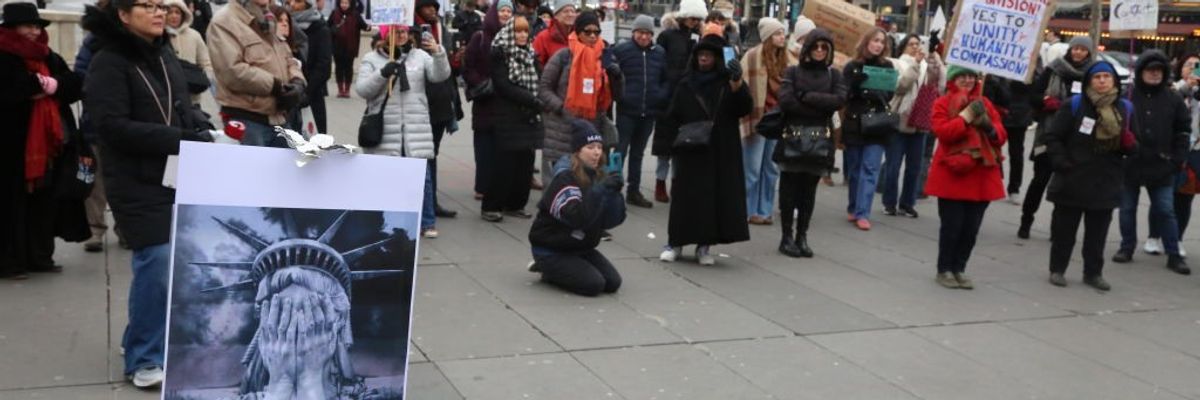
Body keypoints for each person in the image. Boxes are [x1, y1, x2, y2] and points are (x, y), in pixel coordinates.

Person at [82, 0, 216, 385]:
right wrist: (178, 138)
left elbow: (180, 108)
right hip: (135, 180)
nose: (159, 12)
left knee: (172, 265)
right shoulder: (108, 61)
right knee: (157, 260)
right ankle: (143, 360)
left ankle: (137, 338)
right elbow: (110, 127)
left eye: (161, 5)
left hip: (176, 174)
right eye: (146, 6)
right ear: (123, 15)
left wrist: (199, 126)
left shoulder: (163, 53)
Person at [0, 2, 84, 280]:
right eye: (28, 26)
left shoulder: (48, 56)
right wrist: (43, 86)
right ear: (11, 28)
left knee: (44, 201)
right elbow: (11, 90)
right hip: (12, 145)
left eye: (37, 26)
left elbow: (75, 84)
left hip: (48, 144)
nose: (34, 32)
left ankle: (40, 256)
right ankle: (10, 262)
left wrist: (50, 86)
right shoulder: (4, 55)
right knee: (12, 204)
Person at [657, 34, 752, 265]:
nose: (703, 59)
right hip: (691, 147)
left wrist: (737, 83)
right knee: (684, 197)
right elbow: (672, 114)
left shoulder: (728, 82)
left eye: (708, 55)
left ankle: (704, 246)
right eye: (701, 55)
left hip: (721, 148)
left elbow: (744, 108)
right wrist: (669, 144)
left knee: (713, 199)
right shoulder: (686, 82)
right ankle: (675, 243)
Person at [1044, 61, 1137, 291]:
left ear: (1114, 80)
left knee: (1097, 234)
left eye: (1107, 76)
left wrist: (1129, 144)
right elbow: (1053, 137)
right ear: (1089, 81)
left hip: (1105, 181)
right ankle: (1058, 269)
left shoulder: (1125, 108)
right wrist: (1062, 163)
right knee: (1065, 231)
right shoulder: (1074, 105)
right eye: (1097, 77)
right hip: (1073, 178)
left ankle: (1093, 272)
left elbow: (1135, 146)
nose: (1102, 81)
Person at [356, 25, 451, 239]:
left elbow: (440, 75)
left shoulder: (419, 56)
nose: (401, 36)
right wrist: (382, 74)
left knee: (421, 176)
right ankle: (385, 221)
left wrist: (438, 52)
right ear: (386, 34)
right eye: (396, 32)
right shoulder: (372, 58)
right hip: (386, 127)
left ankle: (426, 221)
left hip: (415, 125)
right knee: (387, 177)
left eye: (404, 32)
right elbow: (362, 89)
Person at [1110, 50, 1192, 275]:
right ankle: (1127, 247)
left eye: (1159, 71)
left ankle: (1173, 254)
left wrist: (1177, 158)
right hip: (1131, 162)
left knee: (1165, 210)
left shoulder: (1173, 98)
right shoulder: (1127, 95)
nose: (1155, 74)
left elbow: (1183, 130)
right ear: (1141, 72)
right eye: (1150, 70)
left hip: (1162, 164)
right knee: (1127, 209)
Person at [925, 66, 1007, 289]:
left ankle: (959, 268)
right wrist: (966, 117)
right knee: (952, 227)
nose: (968, 80)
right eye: (963, 76)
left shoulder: (986, 103)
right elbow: (943, 132)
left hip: (982, 175)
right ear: (953, 78)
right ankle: (944, 269)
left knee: (971, 229)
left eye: (972, 76)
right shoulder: (942, 102)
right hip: (954, 174)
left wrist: (989, 127)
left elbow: (1000, 135)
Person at [769, 29, 845, 257]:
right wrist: (817, 104)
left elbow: (839, 100)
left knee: (809, 191)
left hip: (820, 139)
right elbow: (786, 101)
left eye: (825, 47)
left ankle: (802, 235)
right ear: (808, 48)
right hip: (792, 136)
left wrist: (806, 96)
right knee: (788, 189)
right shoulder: (793, 71)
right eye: (816, 46)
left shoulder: (834, 76)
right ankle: (786, 237)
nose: (820, 51)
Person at [528, 119, 626, 296]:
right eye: (590, 147)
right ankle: (546, 268)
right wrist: (599, 191)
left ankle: (567, 268)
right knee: (593, 285)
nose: (596, 152)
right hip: (552, 248)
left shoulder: (599, 174)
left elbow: (613, 221)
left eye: (599, 147)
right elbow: (576, 218)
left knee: (612, 283)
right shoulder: (564, 178)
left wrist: (614, 195)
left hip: (580, 247)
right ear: (577, 151)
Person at [1020, 36, 1095, 239]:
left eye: (1083, 49)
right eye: (1075, 49)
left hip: (1075, 137)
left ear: (1088, 52)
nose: (1078, 52)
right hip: (1049, 133)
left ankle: (1057, 229)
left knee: (1065, 186)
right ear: (1069, 50)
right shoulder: (1054, 68)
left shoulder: (1092, 73)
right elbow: (1034, 94)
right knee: (1040, 180)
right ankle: (1026, 220)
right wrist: (1045, 101)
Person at [537, 11, 623, 186]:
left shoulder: (605, 57)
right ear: (577, 32)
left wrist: (616, 75)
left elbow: (618, 95)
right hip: (563, 128)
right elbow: (544, 88)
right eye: (587, 31)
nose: (592, 36)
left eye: (596, 32)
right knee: (561, 180)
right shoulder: (563, 56)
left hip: (592, 128)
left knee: (587, 182)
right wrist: (562, 108)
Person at [208, 0, 306, 148]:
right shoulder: (224, 21)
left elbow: (288, 58)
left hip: (279, 120)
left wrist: (297, 82)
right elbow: (233, 72)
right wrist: (276, 86)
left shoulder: (268, 17)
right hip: (247, 121)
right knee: (251, 171)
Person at [482, 16, 543, 222]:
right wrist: (532, 100)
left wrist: (537, 101)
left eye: (525, 31)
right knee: (504, 165)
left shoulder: (530, 54)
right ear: (510, 33)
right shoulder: (500, 53)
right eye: (518, 31)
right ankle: (491, 206)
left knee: (525, 165)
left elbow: (540, 79)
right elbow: (504, 85)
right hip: (507, 115)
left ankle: (515, 204)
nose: (523, 35)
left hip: (528, 117)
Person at [739, 18, 795, 225]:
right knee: (752, 169)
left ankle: (764, 210)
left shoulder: (788, 59)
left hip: (778, 120)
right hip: (757, 119)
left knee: (771, 169)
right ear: (768, 37)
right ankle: (746, 209)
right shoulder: (752, 57)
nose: (783, 37)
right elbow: (741, 87)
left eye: (783, 33)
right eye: (778, 33)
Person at [651, 0, 706, 204]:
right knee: (664, 145)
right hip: (669, 97)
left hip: (688, 96)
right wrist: (662, 91)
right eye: (692, 18)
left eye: (697, 19)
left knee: (682, 145)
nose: (694, 22)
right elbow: (659, 64)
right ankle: (659, 182)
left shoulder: (698, 36)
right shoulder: (667, 35)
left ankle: (676, 183)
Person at [612, 15, 669, 209]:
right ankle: (611, 189)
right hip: (627, 110)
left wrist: (660, 95)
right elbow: (610, 73)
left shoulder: (659, 52)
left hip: (649, 111)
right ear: (633, 32)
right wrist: (621, 95)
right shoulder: (622, 50)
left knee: (638, 153)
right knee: (619, 151)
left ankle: (633, 191)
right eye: (640, 32)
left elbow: (665, 78)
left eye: (647, 33)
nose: (644, 37)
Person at [841, 28, 895, 231]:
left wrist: (874, 93)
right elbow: (843, 94)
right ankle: (854, 207)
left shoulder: (887, 66)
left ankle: (863, 213)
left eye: (882, 41)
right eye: (875, 40)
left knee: (870, 169)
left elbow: (889, 95)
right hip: (855, 124)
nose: (879, 45)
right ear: (866, 42)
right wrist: (855, 86)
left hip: (877, 124)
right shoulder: (852, 66)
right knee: (855, 170)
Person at [883, 34, 942, 219]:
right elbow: (900, 86)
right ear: (903, 47)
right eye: (911, 44)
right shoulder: (896, 63)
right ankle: (889, 203)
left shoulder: (926, 65)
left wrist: (934, 56)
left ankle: (907, 203)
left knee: (914, 167)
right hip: (900, 120)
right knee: (893, 165)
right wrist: (915, 65)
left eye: (918, 44)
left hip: (920, 121)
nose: (915, 47)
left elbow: (939, 83)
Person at [415, 0, 462, 219]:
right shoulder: (411, 30)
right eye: (428, 6)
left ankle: (430, 202)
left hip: (442, 101)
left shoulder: (441, 28)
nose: (433, 10)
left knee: (432, 154)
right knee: (421, 155)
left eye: (435, 6)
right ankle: (424, 203)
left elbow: (448, 68)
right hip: (422, 101)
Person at [464, 0, 511, 200]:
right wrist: (482, 83)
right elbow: (468, 66)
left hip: (506, 101)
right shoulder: (480, 37)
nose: (506, 14)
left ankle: (498, 186)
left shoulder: (515, 37)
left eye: (510, 11)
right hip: (485, 99)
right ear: (494, 12)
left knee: (502, 147)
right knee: (484, 147)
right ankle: (482, 187)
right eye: (503, 10)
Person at [1165, 53, 1200, 257]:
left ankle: (1176, 239)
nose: (1192, 68)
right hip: (1170, 148)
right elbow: (1169, 102)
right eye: (1188, 64)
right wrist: (1186, 86)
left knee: (1184, 199)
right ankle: (1155, 236)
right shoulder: (1173, 87)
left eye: (1197, 65)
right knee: (1163, 197)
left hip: (1193, 150)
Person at [290, 0, 333, 134]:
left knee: (312, 145)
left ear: (308, 4)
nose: (291, 4)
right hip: (288, 97)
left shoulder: (320, 28)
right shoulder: (284, 25)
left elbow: (324, 66)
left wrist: (307, 92)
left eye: (297, 1)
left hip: (312, 96)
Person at [164, 0, 212, 105]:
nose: (174, 16)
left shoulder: (194, 35)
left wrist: (202, 79)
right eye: (170, 12)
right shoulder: (157, 36)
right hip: (167, 99)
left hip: (192, 99)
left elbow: (206, 62)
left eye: (177, 12)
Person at [330, 0, 368, 98]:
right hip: (337, 46)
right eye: (342, 3)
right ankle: (340, 89)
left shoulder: (355, 14)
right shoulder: (335, 13)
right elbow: (327, 26)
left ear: (350, 4)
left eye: (346, 3)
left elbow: (364, 26)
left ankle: (347, 90)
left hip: (351, 47)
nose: (344, 5)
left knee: (348, 68)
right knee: (339, 68)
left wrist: (368, 27)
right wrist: (333, 29)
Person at [532, 0, 575, 67]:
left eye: (572, 11)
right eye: (566, 11)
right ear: (556, 16)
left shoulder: (579, 37)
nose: (570, 14)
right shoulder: (543, 37)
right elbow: (536, 64)